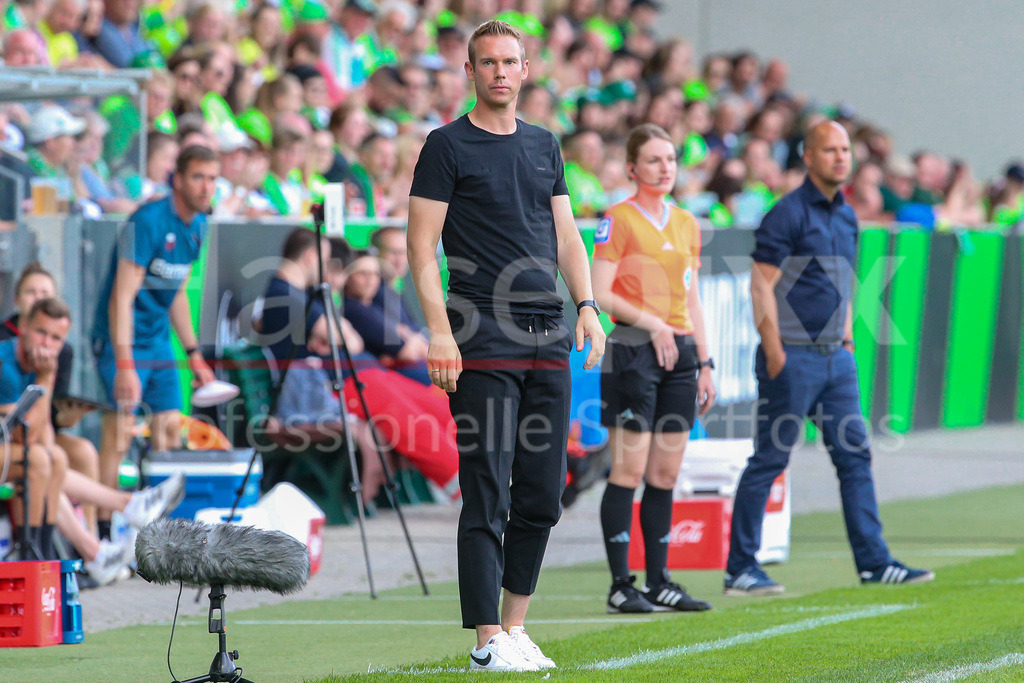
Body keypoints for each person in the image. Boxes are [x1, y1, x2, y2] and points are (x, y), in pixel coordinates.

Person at [408, 20, 605, 672]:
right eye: (487, 62)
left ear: (526, 70)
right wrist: (439, 327)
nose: (499, 71)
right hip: (480, 338)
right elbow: (420, 246)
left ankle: (516, 624)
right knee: (487, 487)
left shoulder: (546, 145)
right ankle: (486, 636)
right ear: (470, 71)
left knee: (545, 494)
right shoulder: (445, 145)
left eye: (510, 61)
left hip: (549, 334)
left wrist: (587, 305)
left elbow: (569, 238)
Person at [724, 120, 933, 595]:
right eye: (831, 150)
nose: (841, 157)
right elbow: (761, 285)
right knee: (771, 459)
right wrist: (774, 349)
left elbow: (843, 279)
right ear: (809, 156)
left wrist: (846, 335)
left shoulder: (846, 215)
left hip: (835, 360)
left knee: (855, 457)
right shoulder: (786, 215)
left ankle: (874, 562)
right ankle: (740, 567)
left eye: (845, 150)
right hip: (792, 357)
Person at [591, 123, 716, 614]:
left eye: (671, 159)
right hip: (634, 348)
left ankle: (661, 579)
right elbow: (601, 291)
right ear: (632, 169)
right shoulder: (617, 219)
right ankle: (622, 584)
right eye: (654, 160)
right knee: (629, 468)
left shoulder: (686, 223)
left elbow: (692, 296)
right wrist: (655, 325)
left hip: (679, 353)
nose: (666, 168)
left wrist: (704, 360)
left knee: (666, 472)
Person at [90, 145, 218, 542]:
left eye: (213, 178)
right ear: (177, 179)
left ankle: (157, 535)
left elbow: (175, 292)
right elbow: (121, 298)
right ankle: (105, 532)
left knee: (167, 432)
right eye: (198, 177)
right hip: (122, 343)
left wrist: (194, 353)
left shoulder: (199, 225)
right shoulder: (145, 221)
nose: (206, 187)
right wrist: (125, 364)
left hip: (160, 341)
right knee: (119, 435)